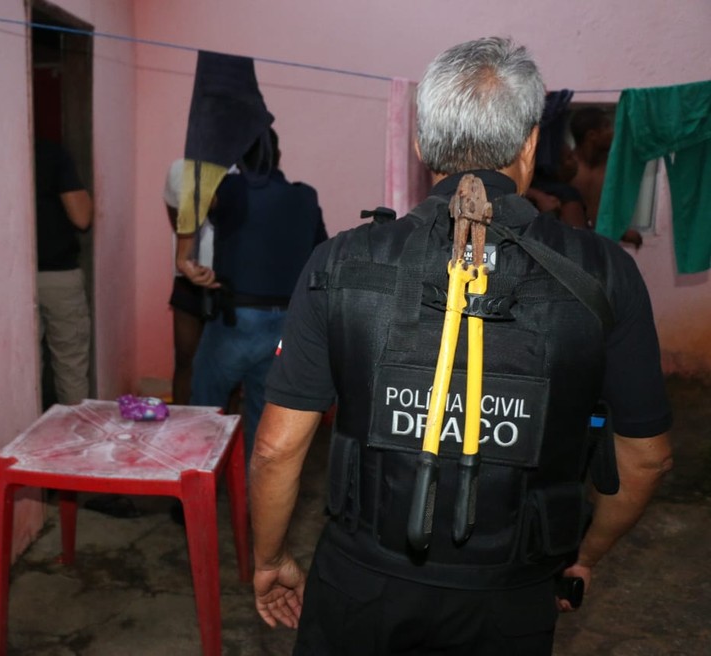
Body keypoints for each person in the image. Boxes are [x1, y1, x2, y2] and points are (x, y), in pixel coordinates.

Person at [250, 37, 673, 655]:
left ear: (422, 145)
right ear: (531, 145)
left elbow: (275, 448)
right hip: (513, 595)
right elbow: (647, 460)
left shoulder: (340, 263)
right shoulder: (606, 273)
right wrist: (583, 555)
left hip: (359, 588)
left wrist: (269, 558)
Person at [178, 128, 327, 465]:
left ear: (236, 160)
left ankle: (193, 494)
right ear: (278, 156)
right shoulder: (305, 197)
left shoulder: (231, 190)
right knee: (263, 425)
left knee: (205, 412)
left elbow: (193, 193)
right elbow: (318, 255)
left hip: (236, 320)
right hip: (286, 325)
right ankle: (253, 507)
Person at [35, 139, 93, 407]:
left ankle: (27, 442)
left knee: (23, 370)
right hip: (57, 274)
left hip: (4, 279)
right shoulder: (50, 153)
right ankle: (75, 441)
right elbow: (82, 218)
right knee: (70, 364)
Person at [163, 157, 215, 406]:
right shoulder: (179, 170)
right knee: (185, 361)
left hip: (227, 281)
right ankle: (180, 429)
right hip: (188, 278)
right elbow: (176, 220)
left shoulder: (240, 170)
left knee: (225, 368)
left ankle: (225, 433)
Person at [569, 107, 643, 247]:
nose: (612, 133)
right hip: (570, 247)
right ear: (592, 135)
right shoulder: (566, 167)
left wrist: (621, 231)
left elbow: (609, 211)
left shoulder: (613, 169)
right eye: (606, 127)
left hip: (603, 247)